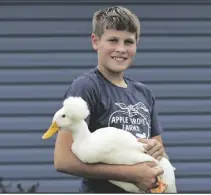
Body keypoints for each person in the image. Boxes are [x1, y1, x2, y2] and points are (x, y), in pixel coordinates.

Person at [53, 6, 168, 193]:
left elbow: (159, 153)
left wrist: (157, 150)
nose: (121, 49)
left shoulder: (144, 93)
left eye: (129, 42)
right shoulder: (86, 87)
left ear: (137, 44)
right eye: (113, 40)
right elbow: (63, 160)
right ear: (95, 41)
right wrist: (131, 174)